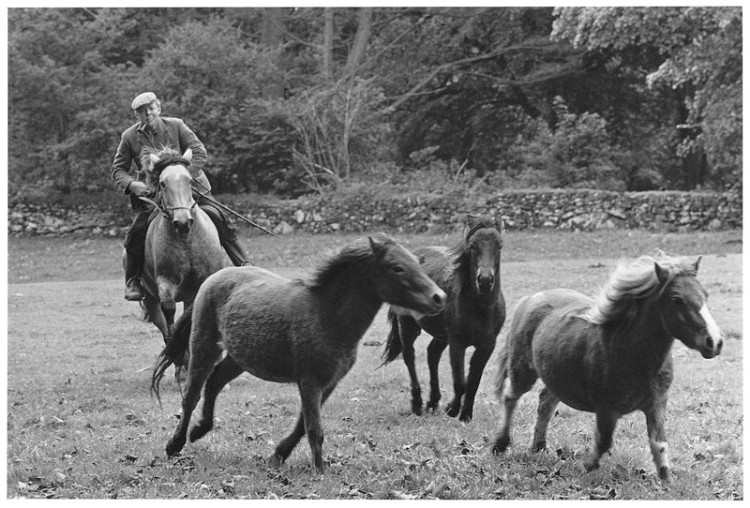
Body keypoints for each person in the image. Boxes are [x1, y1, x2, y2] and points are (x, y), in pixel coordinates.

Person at [111, 92, 250, 301]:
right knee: (137, 231)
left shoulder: (177, 125)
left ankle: (243, 263)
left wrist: (183, 176)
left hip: (189, 188)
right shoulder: (129, 137)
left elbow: (199, 152)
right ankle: (133, 281)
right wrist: (132, 184)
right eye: (142, 111)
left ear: (159, 108)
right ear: (136, 116)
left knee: (217, 215)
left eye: (151, 108)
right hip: (153, 195)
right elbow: (118, 170)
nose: (148, 113)